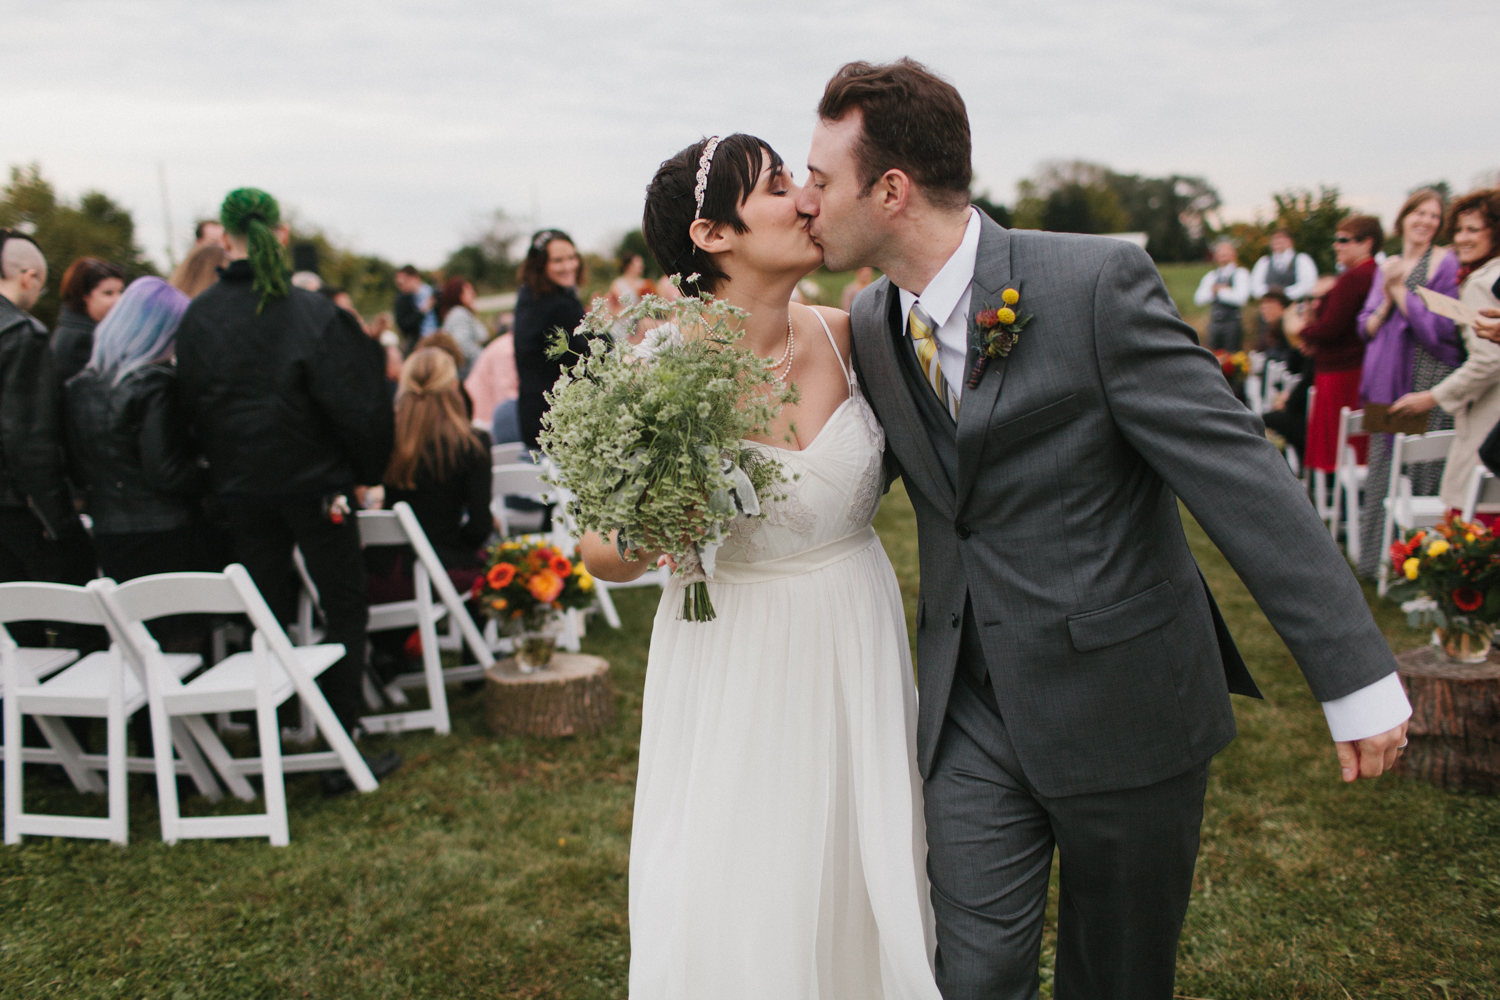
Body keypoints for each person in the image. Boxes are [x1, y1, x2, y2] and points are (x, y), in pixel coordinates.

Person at [798, 58, 1409, 999]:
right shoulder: (875, 322)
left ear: (891, 190)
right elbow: (847, 471)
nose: (806, 199)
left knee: (1116, 976)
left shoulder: (1094, 284)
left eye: (820, 178)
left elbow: (1240, 476)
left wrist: (1357, 680)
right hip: (966, 711)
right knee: (972, 974)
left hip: (1125, 706)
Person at [581, 132, 941, 999]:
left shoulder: (855, 334)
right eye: (779, 187)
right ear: (713, 235)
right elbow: (598, 551)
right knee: (749, 874)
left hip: (856, 632)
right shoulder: (659, 366)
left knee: (861, 861)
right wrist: (660, 522)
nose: (806, 200)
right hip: (738, 658)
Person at [174, 188, 397, 786]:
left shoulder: (198, 318)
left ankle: (278, 740)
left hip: (240, 491)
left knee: (265, 617)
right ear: (278, 234)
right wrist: (364, 470)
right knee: (343, 607)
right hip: (314, 486)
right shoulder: (310, 311)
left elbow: (190, 405)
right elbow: (357, 403)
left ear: (224, 238)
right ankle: (337, 742)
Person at [63, 277, 216, 635]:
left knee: (137, 642)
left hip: (111, 531)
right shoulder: (155, 385)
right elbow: (165, 471)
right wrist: (216, 477)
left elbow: (76, 466)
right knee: (181, 644)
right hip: (168, 534)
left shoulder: (78, 387)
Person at [1352, 189, 1461, 574]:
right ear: (1403, 218)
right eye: (1419, 213)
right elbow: (1365, 327)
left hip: (1426, 375)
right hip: (1385, 377)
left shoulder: (1447, 263)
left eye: (1434, 216)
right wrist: (1387, 295)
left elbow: (1439, 331)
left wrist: (1401, 291)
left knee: (1422, 470)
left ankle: (1423, 567)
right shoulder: (1389, 264)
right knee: (1383, 468)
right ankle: (1376, 561)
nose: (1426, 221)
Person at [0, 229, 94, 638]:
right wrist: (58, 518)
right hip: (17, 509)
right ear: (29, 277)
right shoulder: (23, 335)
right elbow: (28, 436)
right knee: (64, 626)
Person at [1388, 189, 1500, 524]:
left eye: (1473, 230)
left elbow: (1489, 361)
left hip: (1488, 423)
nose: (1462, 238)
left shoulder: (1482, 283)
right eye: (1459, 229)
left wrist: (1433, 397)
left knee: (1473, 529)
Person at [1284, 215, 1383, 479]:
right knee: (1354, 443)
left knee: (1342, 445)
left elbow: (1331, 328)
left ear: (1367, 243)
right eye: (1335, 240)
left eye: (1343, 240)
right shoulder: (1372, 274)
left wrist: (1299, 330)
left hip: (1342, 372)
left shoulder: (1356, 278)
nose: (1336, 246)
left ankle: (1338, 499)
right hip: (1353, 366)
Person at [513, 230, 589, 455]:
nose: (569, 266)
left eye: (572, 257)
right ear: (540, 265)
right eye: (558, 260)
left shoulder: (529, 296)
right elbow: (594, 353)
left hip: (534, 421)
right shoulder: (557, 306)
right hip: (560, 425)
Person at [51, 257, 125, 383]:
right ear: (84, 295)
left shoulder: (77, 331)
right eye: (108, 293)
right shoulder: (82, 340)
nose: (119, 300)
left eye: (120, 292)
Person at [1193, 238, 1251, 350]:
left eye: (1226, 253)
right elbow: (1199, 299)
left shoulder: (1240, 273)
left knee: (1232, 357)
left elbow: (1241, 298)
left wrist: (1219, 291)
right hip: (1214, 322)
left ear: (1234, 255)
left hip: (1232, 322)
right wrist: (1216, 291)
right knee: (1213, 355)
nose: (1223, 256)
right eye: (1220, 253)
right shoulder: (1211, 276)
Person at [464, 327, 519, 434]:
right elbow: (506, 396)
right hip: (481, 419)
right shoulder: (507, 349)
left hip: (486, 417)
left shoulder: (508, 344)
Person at [1249, 228, 1319, 300]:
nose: (1277, 241)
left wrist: (1284, 294)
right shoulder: (1264, 261)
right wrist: (1270, 294)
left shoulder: (1302, 259)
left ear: (1290, 241)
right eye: (1275, 239)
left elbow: (1307, 285)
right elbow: (1255, 286)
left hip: (1295, 305)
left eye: (1281, 239)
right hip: (1270, 305)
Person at [437, 276, 487, 374]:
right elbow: (463, 345)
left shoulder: (458, 313)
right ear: (457, 295)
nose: (473, 293)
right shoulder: (459, 313)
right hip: (470, 372)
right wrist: (486, 357)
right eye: (468, 291)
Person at [393, 265, 437, 350]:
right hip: (416, 344)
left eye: (404, 281)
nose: (401, 285)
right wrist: (422, 312)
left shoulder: (431, 293)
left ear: (415, 278)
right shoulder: (403, 299)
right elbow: (403, 324)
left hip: (433, 340)